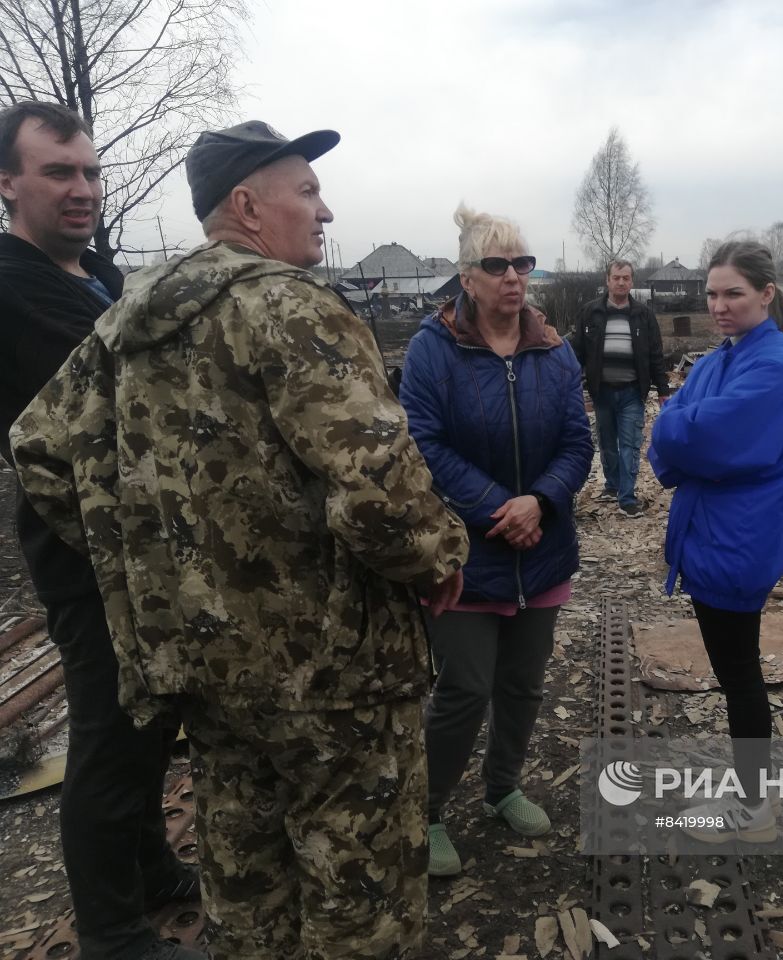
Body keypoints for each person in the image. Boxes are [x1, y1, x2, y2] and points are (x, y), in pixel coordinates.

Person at [10, 120, 469, 960]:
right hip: (336, 675)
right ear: (248, 205)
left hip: (204, 665)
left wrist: (146, 564)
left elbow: (39, 450)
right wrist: (441, 557)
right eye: (308, 191)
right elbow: (379, 494)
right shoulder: (294, 309)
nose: (325, 211)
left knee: (247, 889)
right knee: (357, 898)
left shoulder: (128, 318)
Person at [0, 101, 199, 960]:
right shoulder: (15, 285)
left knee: (150, 726)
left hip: (140, 553)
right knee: (111, 737)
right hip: (83, 550)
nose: (81, 190)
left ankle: (151, 869)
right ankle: (113, 932)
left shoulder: (100, 277)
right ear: (9, 184)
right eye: (57, 173)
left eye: (89, 171)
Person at [399, 203, 592, 877]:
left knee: (523, 685)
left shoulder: (554, 349)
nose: (513, 277)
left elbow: (577, 440)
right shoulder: (434, 349)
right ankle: (424, 811)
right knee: (464, 688)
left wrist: (539, 502)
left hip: (542, 548)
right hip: (464, 553)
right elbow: (423, 442)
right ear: (467, 277)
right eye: (496, 264)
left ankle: (502, 785)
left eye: (523, 263)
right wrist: (493, 508)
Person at [647, 240, 783, 843]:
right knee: (733, 668)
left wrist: (676, 426)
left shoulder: (773, 364)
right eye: (713, 294)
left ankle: (754, 811)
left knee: (739, 672)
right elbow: (680, 427)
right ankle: (754, 802)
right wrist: (678, 427)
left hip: (738, 538)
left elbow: (691, 432)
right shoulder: (724, 357)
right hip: (714, 530)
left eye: (733, 294)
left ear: (766, 295)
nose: (719, 305)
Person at [572, 260, 669, 516]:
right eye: (617, 277)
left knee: (630, 445)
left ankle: (627, 497)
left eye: (626, 278)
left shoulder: (643, 315)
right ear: (607, 280)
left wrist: (663, 390)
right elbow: (576, 352)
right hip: (601, 391)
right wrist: (567, 383)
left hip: (631, 393)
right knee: (606, 444)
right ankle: (613, 485)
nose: (621, 282)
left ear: (632, 281)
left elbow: (656, 354)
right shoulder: (590, 313)